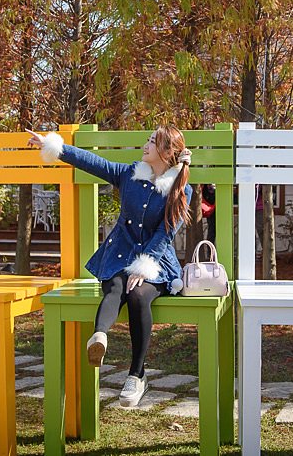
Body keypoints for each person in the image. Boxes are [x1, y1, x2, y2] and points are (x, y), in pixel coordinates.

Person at [27, 125, 192, 407]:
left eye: (152, 141)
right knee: (115, 286)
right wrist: (55, 147)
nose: (145, 144)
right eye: (148, 139)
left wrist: (143, 267)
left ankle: (137, 375)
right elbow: (94, 162)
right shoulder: (129, 174)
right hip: (119, 255)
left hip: (155, 263)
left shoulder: (180, 189)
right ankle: (99, 336)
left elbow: (164, 235)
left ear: (167, 152)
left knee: (138, 295)